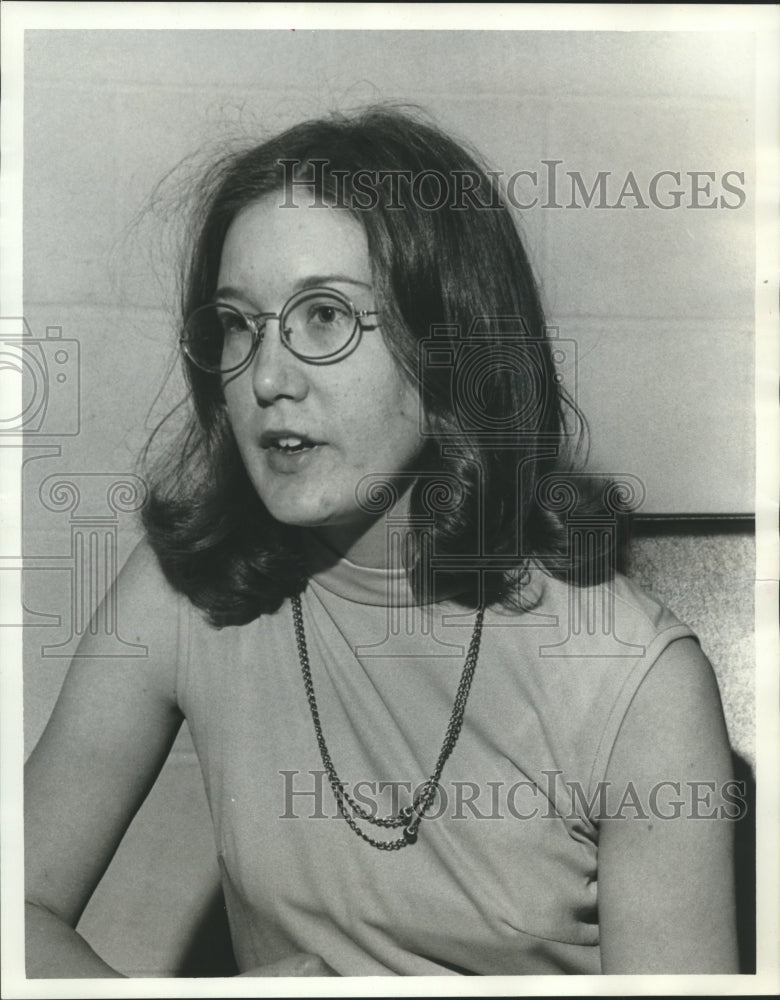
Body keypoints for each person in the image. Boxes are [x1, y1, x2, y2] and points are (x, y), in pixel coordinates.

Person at [24, 106, 739, 977]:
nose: (267, 377)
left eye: (324, 317)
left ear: (449, 350)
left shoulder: (641, 686)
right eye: (240, 324)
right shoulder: (181, 592)